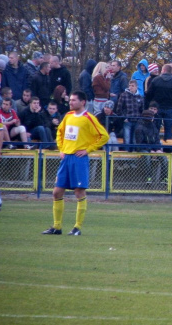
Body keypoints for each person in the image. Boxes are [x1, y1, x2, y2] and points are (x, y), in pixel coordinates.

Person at [42, 91, 109, 236]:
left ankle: (77, 228)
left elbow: (104, 136)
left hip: (79, 159)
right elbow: (59, 133)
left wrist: (88, 149)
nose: (70, 102)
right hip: (66, 158)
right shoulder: (67, 116)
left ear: (82, 102)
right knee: (57, 192)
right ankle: (57, 227)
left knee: (79, 192)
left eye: (73, 100)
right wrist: (61, 149)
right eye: (70, 100)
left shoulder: (88, 118)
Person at [145, 64, 172, 140]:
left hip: (157, 108)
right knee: (168, 129)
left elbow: (149, 94)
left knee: (156, 128)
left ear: (163, 70)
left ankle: (155, 146)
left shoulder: (156, 80)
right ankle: (168, 148)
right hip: (169, 108)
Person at [116, 80, 144, 148]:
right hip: (127, 120)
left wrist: (140, 119)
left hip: (137, 121)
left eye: (132, 86)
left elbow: (142, 110)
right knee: (127, 139)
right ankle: (126, 154)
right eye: (129, 85)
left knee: (135, 139)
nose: (130, 87)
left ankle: (134, 154)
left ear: (136, 87)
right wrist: (124, 118)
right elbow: (119, 109)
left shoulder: (140, 97)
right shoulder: (123, 95)